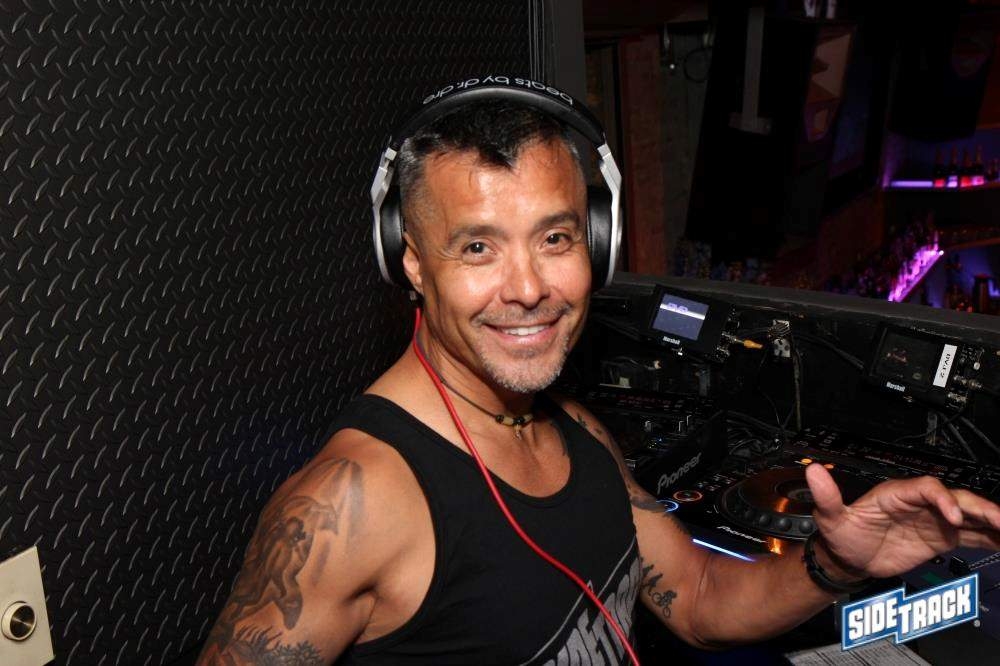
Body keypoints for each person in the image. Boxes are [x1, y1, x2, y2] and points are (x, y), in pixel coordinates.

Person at [197, 87, 1000, 666]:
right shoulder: (351, 502)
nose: (527, 288)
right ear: (409, 263)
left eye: (555, 239)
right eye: (477, 248)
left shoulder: (573, 430)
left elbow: (699, 600)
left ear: (599, 244)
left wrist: (836, 564)